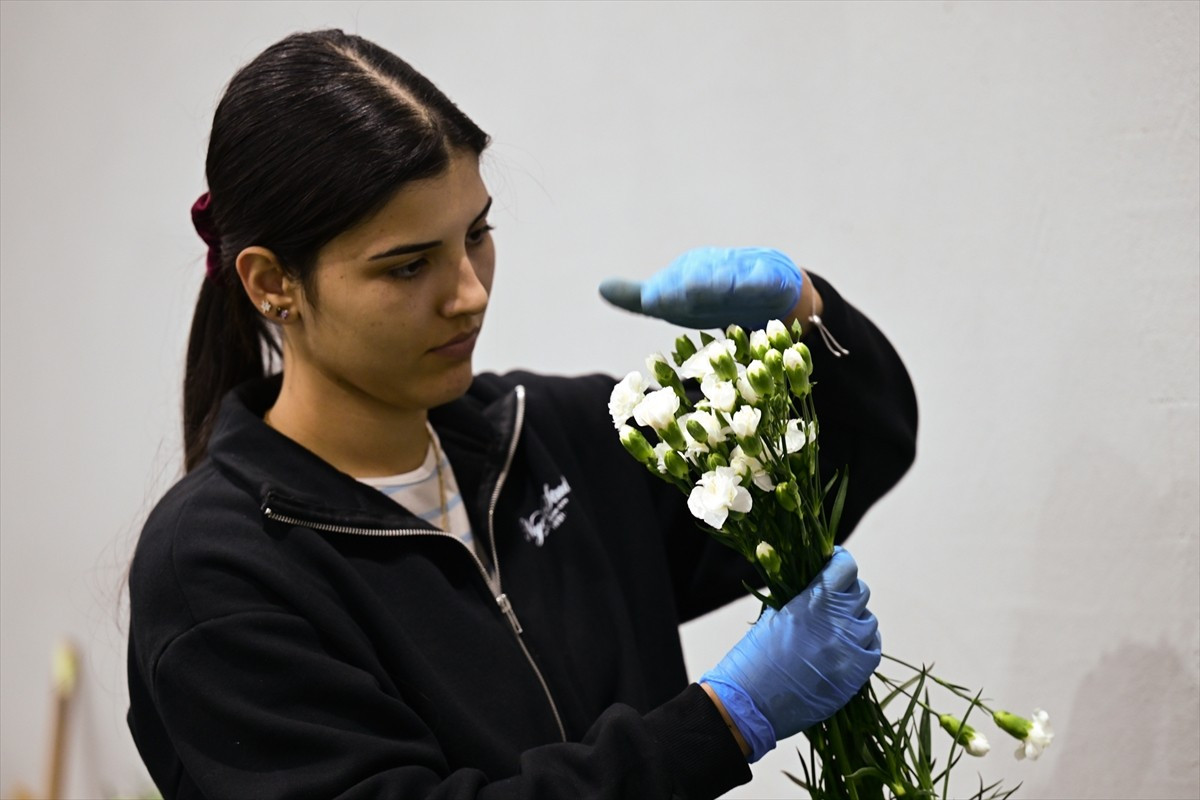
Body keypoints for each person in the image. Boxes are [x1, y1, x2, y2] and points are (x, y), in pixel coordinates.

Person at [126, 29, 918, 800]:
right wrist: (721, 723)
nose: (467, 291)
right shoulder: (218, 570)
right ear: (272, 283)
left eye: (477, 234)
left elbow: (853, 453)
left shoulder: (556, 436)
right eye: (408, 265)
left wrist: (806, 314)